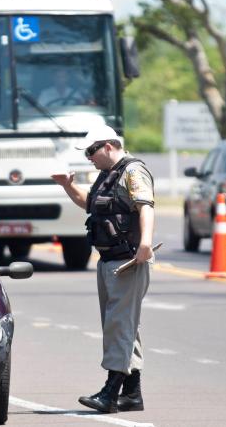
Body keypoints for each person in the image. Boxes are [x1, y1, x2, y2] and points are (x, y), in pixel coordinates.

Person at [51, 124, 154, 413]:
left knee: (118, 326)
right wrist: (67, 186)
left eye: (91, 151)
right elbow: (91, 206)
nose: (88, 157)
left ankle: (110, 393)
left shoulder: (133, 171)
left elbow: (146, 206)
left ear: (108, 146)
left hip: (128, 262)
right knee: (126, 327)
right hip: (108, 260)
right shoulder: (107, 175)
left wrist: (145, 243)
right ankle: (132, 395)